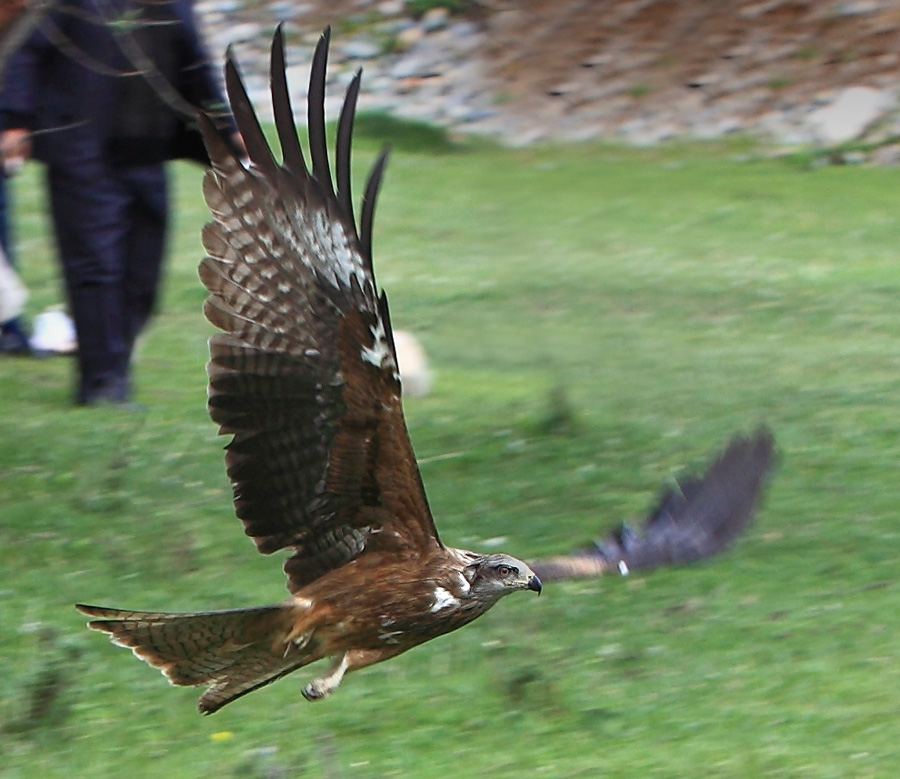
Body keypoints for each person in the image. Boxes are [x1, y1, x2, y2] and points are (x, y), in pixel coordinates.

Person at [0, 0, 236, 405]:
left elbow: (195, 64)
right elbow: (26, 53)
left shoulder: (170, 5)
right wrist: (13, 120)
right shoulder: (67, 6)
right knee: (95, 266)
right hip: (81, 152)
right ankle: (102, 383)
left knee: (141, 271)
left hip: (146, 152)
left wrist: (228, 129)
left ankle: (114, 366)